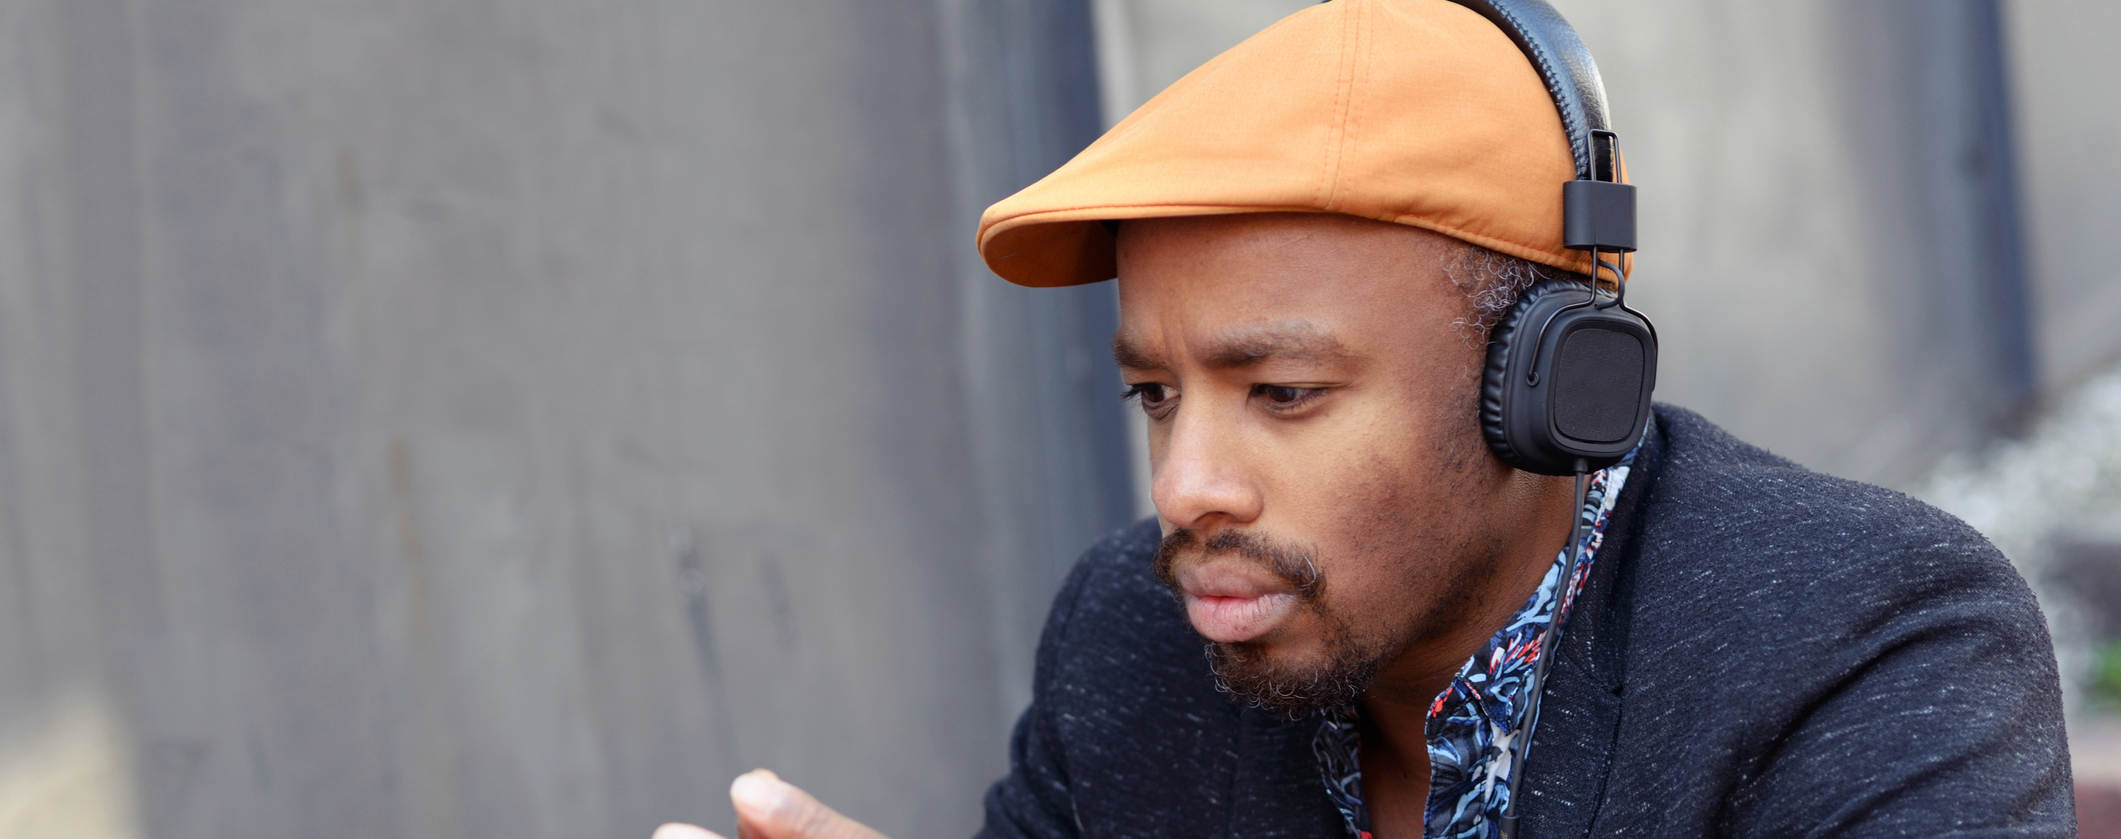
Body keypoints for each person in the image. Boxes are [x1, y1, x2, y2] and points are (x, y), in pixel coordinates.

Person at [657, 0, 2075, 836]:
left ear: (1556, 384)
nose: (1188, 487)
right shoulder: (1131, 639)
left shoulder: (1871, 640)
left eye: (1282, 393)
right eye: (1155, 393)